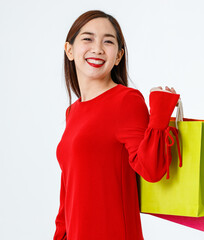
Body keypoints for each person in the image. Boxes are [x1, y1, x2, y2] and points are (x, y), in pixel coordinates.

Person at [53, 10, 181, 240]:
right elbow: (68, 192)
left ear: (118, 56)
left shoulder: (125, 100)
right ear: (69, 50)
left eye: (108, 42)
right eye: (88, 38)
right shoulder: (73, 112)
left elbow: (151, 170)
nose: (98, 48)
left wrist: (160, 116)